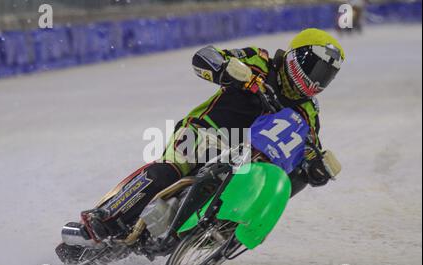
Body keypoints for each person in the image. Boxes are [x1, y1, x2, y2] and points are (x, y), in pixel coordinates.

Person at [86, 28, 346, 241]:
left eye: (326, 75)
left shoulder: (307, 110)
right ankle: (104, 216)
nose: (317, 80)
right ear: (295, 57)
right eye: (314, 68)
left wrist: (317, 166)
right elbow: (205, 57)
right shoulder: (259, 61)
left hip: (245, 161)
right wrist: (226, 69)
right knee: (169, 170)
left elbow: (309, 144)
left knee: (290, 177)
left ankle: (216, 233)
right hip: (206, 131)